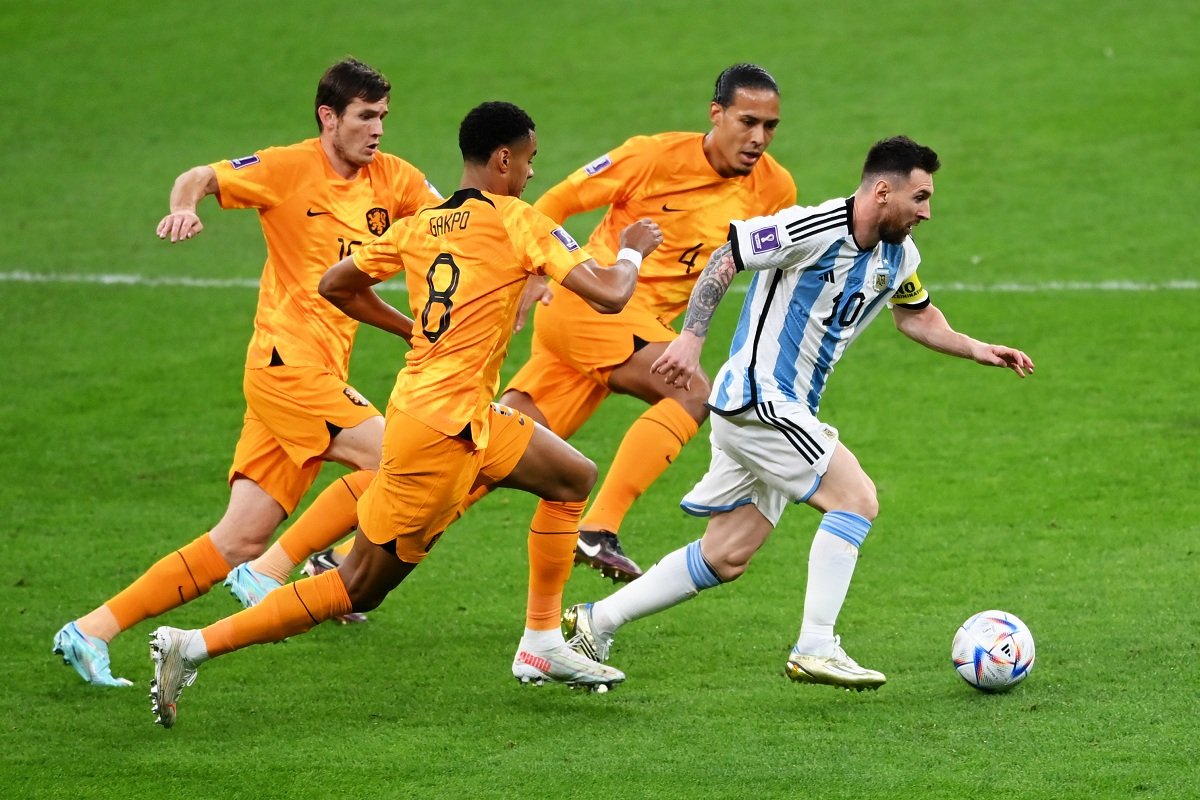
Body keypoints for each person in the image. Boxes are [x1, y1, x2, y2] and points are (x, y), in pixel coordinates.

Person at [145, 101, 663, 728]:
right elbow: (609, 294)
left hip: (460, 413)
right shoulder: (518, 221)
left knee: (572, 477)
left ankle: (542, 641)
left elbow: (335, 283)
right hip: (437, 434)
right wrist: (631, 250)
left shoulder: (420, 226)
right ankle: (192, 645)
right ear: (504, 158)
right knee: (358, 584)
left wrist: (410, 328)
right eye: (529, 160)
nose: (531, 173)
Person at [563, 136, 1035, 690]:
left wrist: (977, 348)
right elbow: (727, 256)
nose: (927, 212)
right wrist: (691, 339)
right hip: (760, 399)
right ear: (883, 192)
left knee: (726, 555)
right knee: (856, 497)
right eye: (921, 198)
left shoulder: (899, 255)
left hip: (778, 411)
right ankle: (815, 645)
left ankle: (595, 621)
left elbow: (916, 315)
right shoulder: (812, 228)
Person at [52, 58, 441, 686]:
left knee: (235, 540)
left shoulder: (393, 178)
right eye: (365, 117)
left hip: (309, 377)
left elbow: (452, 225)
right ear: (329, 117)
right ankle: (287, 569)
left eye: (382, 118)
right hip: (286, 368)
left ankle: (91, 629)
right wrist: (184, 207)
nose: (377, 130)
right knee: (404, 459)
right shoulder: (287, 168)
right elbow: (200, 176)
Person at [460, 64, 797, 583]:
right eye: (747, 122)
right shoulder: (653, 156)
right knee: (690, 389)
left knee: (493, 454)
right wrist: (532, 268)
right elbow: (558, 200)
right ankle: (598, 528)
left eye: (769, 126)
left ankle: (349, 553)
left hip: (625, 329)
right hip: (592, 304)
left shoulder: (775, 189)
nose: (758, 138)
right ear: (716, 114)